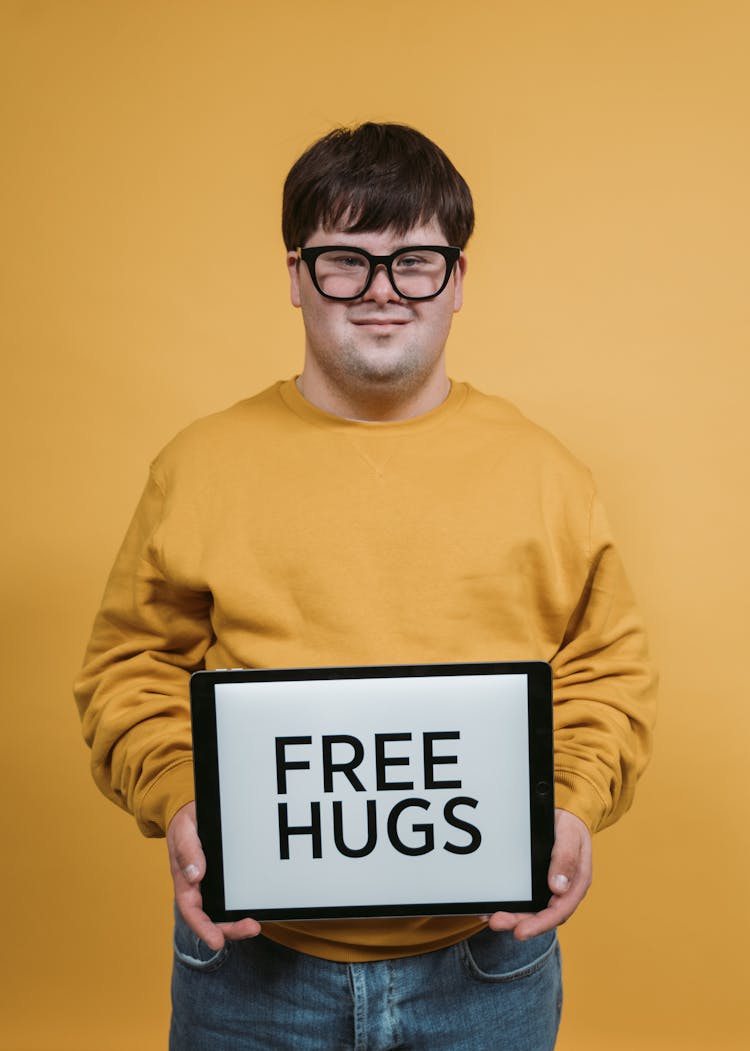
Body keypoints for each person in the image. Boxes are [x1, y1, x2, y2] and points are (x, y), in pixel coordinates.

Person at [74, 122, 656, 1051]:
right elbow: (130, 667)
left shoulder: (546, 473)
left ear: (457, 281)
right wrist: (182, 796)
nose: (383, 292)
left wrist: (575, 804)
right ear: (296, 274)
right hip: (251, 965)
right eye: (347, 259)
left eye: (416, 260)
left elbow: (606, 671)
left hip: (486, 963)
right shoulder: (200, 464)